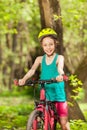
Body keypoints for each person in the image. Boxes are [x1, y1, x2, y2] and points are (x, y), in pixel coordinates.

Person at [19, 28, 70, 130]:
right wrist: (23, 79)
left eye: (51, 44)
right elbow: (32, 70)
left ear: (55, 44)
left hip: (57, 93)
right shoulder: (39, 59)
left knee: (63, 123)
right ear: (42, 46)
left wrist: (61, 76)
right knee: (38, 118)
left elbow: (60, 68)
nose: (48, 47)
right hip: (45, 92)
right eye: (45, 45)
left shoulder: (59, 58)